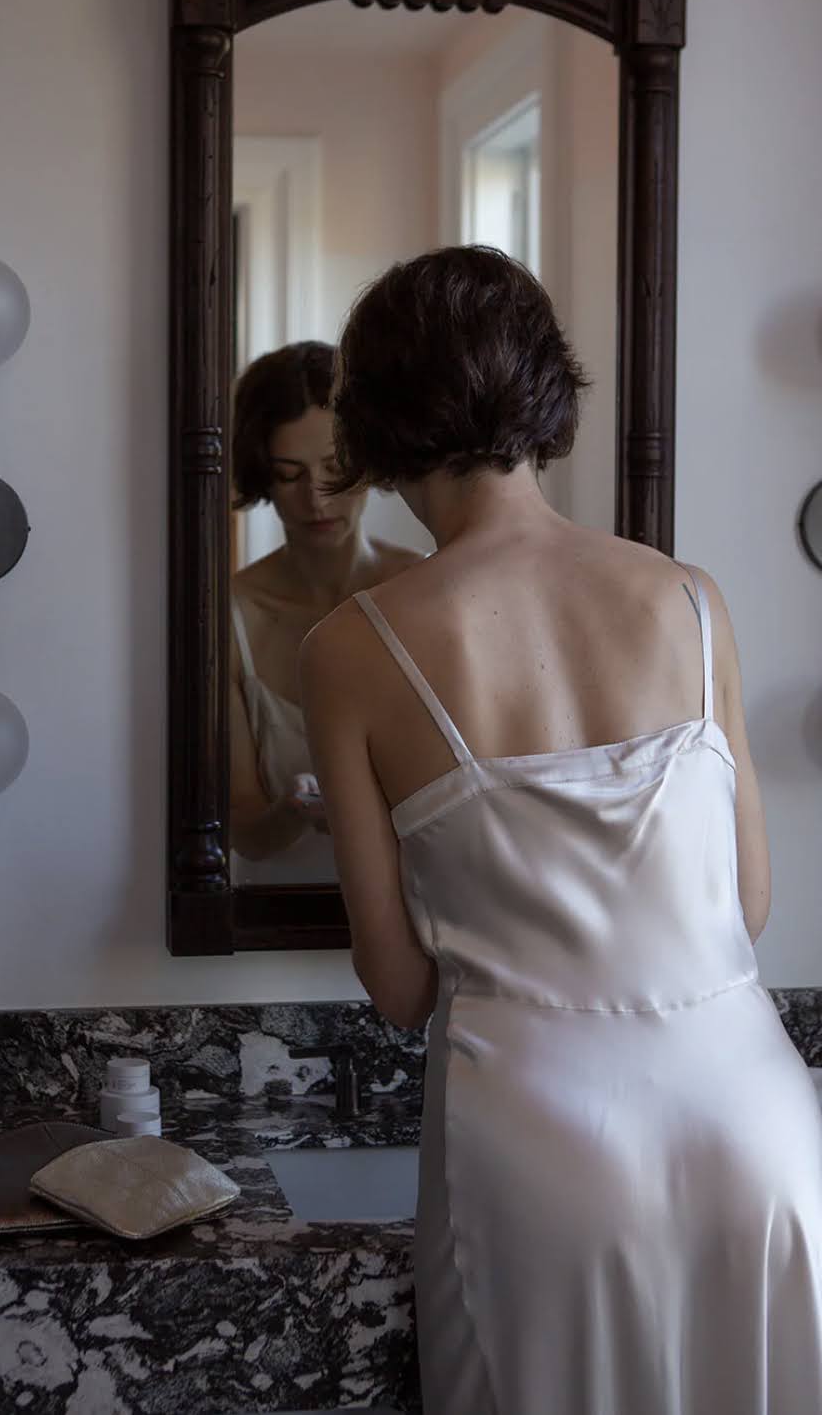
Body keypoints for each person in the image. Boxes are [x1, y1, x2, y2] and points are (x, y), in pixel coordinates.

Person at [299, 246, 822, 1414]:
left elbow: (398, 986)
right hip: (758, 1128)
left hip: (543, 1155)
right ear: (544, 386)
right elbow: (745, 906)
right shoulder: (690, 599)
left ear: (377, 419)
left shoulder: (352, 650)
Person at [229, 339, 420, 881]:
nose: (316, 499)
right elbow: (245, 831)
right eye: (289, 475)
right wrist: (293, 813)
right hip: (276, 914)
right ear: (262, 474)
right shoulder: (232, 616)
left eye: (335, 468)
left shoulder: (424, 590)